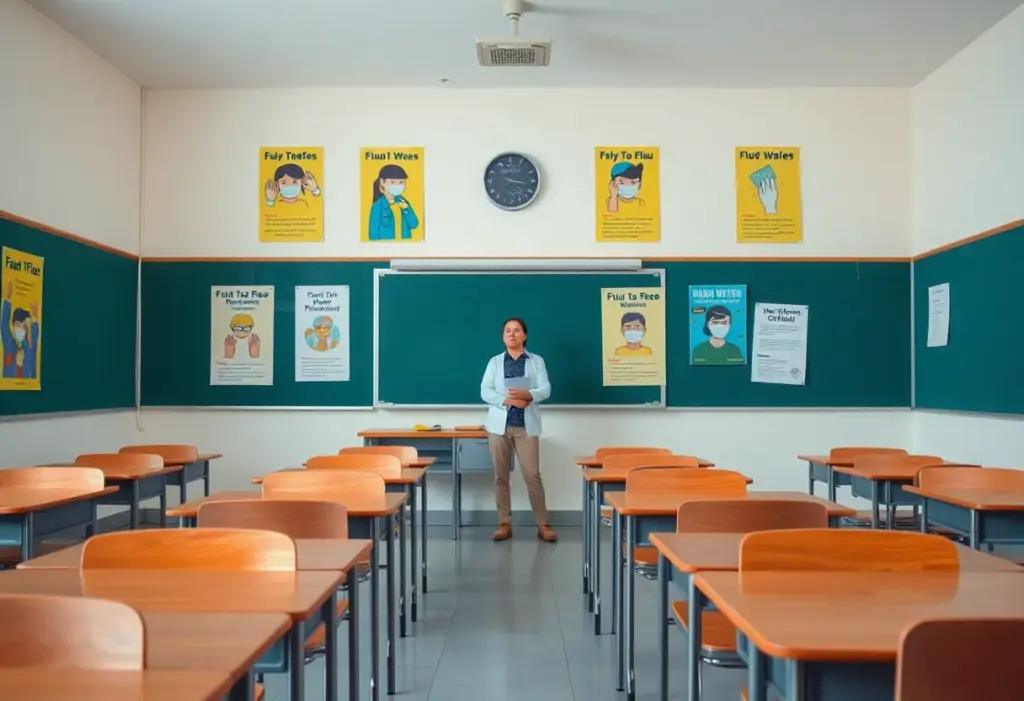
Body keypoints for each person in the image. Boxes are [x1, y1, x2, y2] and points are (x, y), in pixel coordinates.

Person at [480, 317, 556, 542]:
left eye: (516, 330)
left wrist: (528, 395)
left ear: (525, 335)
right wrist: (509, 401)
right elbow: (485, 391)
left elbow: (545, 389)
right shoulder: (495, 362)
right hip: (498, 427)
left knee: (533, 476)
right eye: (507, 331)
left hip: (526, 426)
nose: (511, 334)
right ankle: (504, 524)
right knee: (500, 477)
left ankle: (543, 525)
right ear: (503, 336)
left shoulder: (535, 361)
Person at [368, 164, 420, 240]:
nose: (397, 185)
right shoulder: (378, 206)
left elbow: (414, 225)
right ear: (382, 182)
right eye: (392, 182)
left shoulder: (404, 203)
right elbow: (373, 233)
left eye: (401, 182)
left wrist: (406, 209)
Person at [1, 282, 40, 380]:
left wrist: (34, 317)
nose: (20, 329)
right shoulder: (9, 343)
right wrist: (7, 299)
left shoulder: (30, 345)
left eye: (24, 327)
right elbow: (4, 326)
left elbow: (34, 333)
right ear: (13, 325)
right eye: (18, 325)